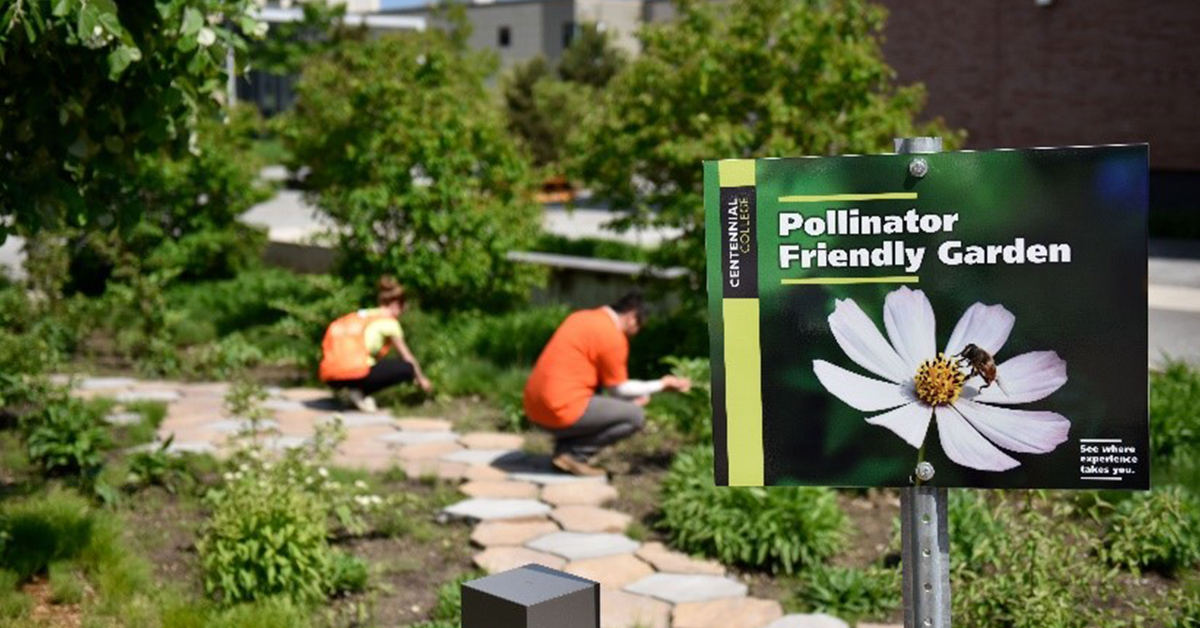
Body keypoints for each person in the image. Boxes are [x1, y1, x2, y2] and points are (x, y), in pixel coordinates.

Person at [523, 292, 692, 476]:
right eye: (640, 327)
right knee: (634, 416)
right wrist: (662, 385)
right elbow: (620, 388)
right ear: (632, 317)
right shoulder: (612, 335)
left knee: (621, 406)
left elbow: (609, 388)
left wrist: (627, 401)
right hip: (559, 409)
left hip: (534, 407)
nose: (637, 334)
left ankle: (565, 451)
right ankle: (574, 455)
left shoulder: (580, 317)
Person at [319, 277, 432, 412]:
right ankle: (358, 391)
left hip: (331, 376)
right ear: (396, 304)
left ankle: (348, 391)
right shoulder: (390, 322)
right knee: (407, 368)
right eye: (403, 308)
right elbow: (407, 357)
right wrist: (422, 379)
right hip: (355, 374)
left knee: (370, 365)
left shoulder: (362, 315)